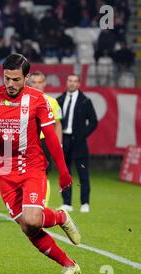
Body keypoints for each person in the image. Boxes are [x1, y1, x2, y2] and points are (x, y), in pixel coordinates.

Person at [0, 54, 81, 274]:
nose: (10, 84)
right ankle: (69, 264)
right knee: (27, 227)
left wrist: (63, 171)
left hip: (32, 166)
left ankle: (60, 217)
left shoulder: (37, 99)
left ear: (26, 77)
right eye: (7, 79)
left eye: (16, 79)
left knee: (33, 218)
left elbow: (52, 138)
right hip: (4, 170)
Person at [56, 74, 98, 213]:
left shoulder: (85, 101)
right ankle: (67, 202)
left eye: (75, 81)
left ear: (79, 84)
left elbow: (93, 122)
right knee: (65, 173)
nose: (72, 83)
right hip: (65, 140)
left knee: (83, 173)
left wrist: (82, 135)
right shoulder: (59, 100)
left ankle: (85, 203)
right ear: (66, 82)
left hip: (79, 142)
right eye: (70, 81)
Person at [30, 71, 62, 207]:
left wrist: (59, 144)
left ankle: (43, 206)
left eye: (39, 82)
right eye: (34, 82)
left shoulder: (52, 102)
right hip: (27, 142)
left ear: (44, 83)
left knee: (43, 174)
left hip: (44, 142)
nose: (37, 85)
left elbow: (58, 124)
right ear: (29, 83)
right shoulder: (23, 100)